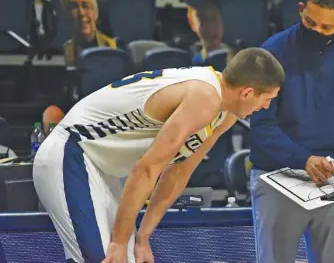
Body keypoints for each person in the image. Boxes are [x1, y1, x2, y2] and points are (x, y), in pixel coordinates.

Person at [32, 47, 284, 263]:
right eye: (267, 98)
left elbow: (178, 172)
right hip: (73, 150)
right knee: (105, 257)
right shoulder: (205, 96)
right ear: (247, 93)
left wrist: (143, 236)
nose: (266, 107)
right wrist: (120, 242)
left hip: (103, 169)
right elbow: (146, 169)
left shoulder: (225, 114)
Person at [249, 0, 334, 263]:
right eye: (310, 22)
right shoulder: (272, 51)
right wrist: (304, 158)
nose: (316, 31)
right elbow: (262, 126)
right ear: (300, 10)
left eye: (326, 27)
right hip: (278, 175)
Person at [60, 0, 117, 66]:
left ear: (94, 10)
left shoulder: (111, 47)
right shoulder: (64, 52)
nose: (81, 13)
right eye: (74, 6)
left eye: (85, 5)